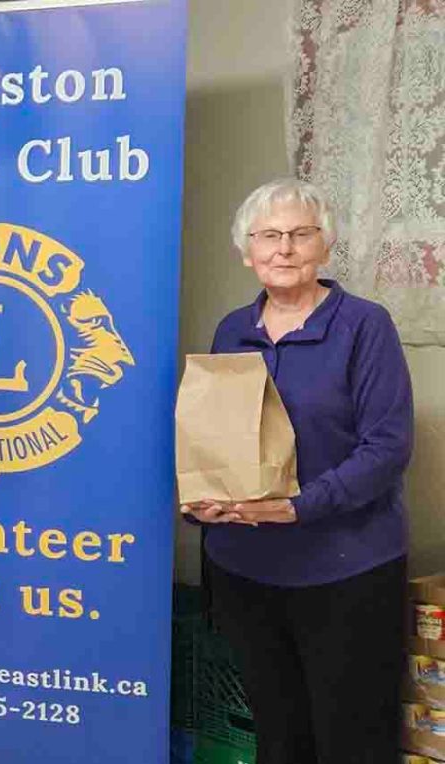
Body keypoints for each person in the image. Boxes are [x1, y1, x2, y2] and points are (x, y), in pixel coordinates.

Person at [182, 178, 413, 764]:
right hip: (247, 570)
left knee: (351, 741)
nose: (284, 248)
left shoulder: (365, 325)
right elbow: (220, 437)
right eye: (269, 236)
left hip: (345, 572)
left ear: (325, 247)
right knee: (279, 738)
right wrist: (205, 500)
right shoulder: (233, 329)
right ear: (247, 251)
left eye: (300, 234)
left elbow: (387, 447)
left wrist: (297, 506)